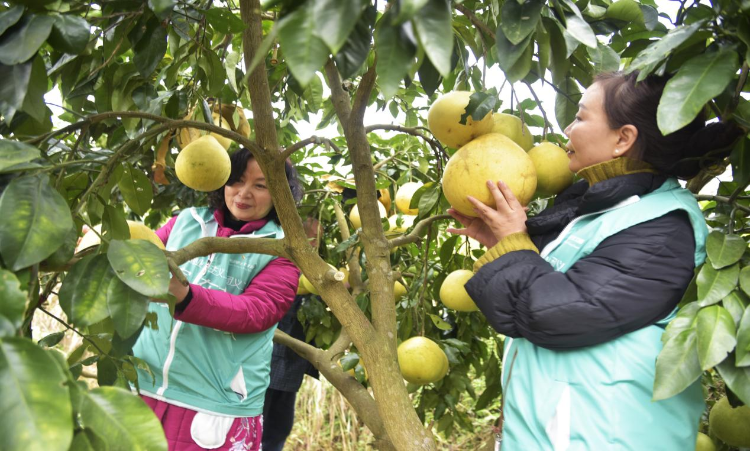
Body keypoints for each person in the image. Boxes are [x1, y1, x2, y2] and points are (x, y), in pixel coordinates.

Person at [447, 71, 742, 450]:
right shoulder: (596, 212)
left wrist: (515, 245)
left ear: (624, 139)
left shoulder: (664, 226)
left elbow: (556, 313)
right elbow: (543, 291)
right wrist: (503, 241)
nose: (568, 128)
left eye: (582, 117)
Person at [133, 148, 303, 450]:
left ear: (280, 193)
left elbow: (255, 312)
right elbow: (141, 259)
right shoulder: (186, 222)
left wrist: (185, 297)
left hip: (215, 405)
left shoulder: (281, 251)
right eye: (236, 180)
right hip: (142, 387)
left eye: (260, 185)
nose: (243, 193)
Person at [262, 217, 322, 451]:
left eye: (316, 238)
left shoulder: (313, 271)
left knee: (278, 429)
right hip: (266, 364)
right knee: (260, 425)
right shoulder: (279, 265)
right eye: (310, 236)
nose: (313, 242)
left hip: (290, 367)